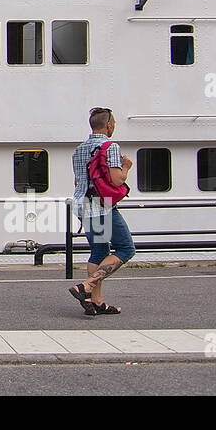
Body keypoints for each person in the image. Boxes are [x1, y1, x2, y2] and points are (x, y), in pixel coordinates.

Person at [68, 107, 136, 316]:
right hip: (101, 204)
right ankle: (86, 286)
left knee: (99, 252)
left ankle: (96, 301)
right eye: (113, 123)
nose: (114, 126)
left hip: (81, 204)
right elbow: (116, 179)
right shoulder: (110, 146)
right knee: (125, 249)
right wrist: (126, 167)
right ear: (108, 125)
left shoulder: (79, 150)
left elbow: (78, 181)